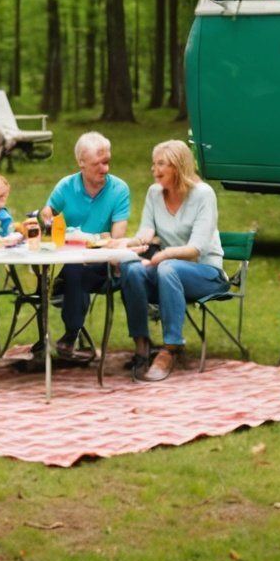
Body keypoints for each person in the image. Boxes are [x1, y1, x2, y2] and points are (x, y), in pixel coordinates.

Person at [119, 141, 228, 382]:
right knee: (131, 269)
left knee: (168, 268)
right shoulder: (154, 193)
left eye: (161, 164)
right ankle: (142, 346)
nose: (154, 170)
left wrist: (164, 255)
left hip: (206, 273)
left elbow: (195, 249)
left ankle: (171, 348)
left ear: (177, 167)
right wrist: (139, 240)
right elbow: (147, 228)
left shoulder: (203, 195)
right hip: (167, 272)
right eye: (153, 164)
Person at [35, 132, 131, 362]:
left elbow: (116, 239)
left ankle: (70, 334)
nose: (106, 169)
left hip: (102, 266)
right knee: (64, 270)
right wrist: (44, 217)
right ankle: (56, 337)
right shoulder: (66, 187)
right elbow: (47, 220)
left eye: (108, 162)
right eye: (100, 163)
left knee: (73, 271)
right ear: (82, 163)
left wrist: (92, 239)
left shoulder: (119, 189)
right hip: (70, 261)